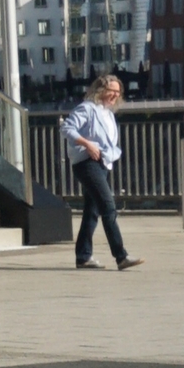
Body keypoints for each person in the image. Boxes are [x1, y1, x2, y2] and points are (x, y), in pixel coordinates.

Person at [61, 75, 142, 272]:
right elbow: (66, 127)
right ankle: (121, 256)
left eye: (118, 92)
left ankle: (83, 257)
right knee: (108, 206)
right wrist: (87, 144)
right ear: (100, 90)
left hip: (102, 164)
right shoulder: (87, 108)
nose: (115, 94)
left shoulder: (108, 114)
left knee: (92, 211)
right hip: (87, 163)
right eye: (111, 90)